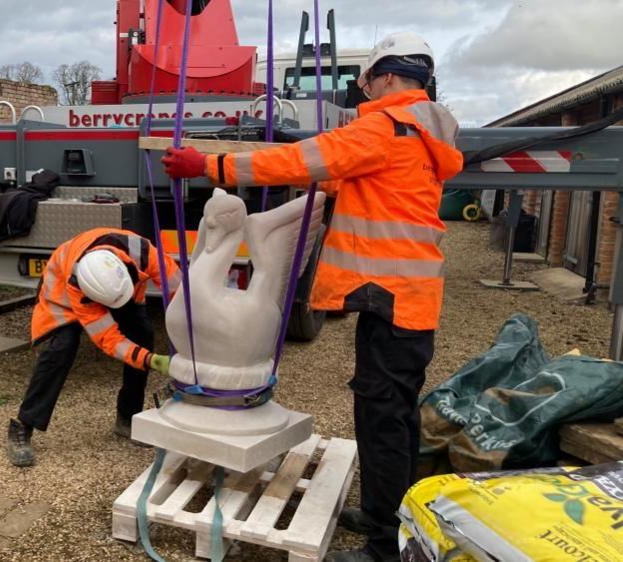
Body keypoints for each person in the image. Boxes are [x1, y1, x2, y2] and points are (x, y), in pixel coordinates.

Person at [161, 32, 463, 562]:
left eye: (365, 80)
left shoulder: (385, 125)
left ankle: (383, 549)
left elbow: (299, 160)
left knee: (384, 420)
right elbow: (379, 193)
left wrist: (210, 167)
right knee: (389, 414)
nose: (362, 91)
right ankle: (384, 515)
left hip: (390, 296)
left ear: (387, 77)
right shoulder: (421, 134)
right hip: (401, 297)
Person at [7, 227, 181, 467]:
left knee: (142, 333)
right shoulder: (79, 287)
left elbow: (182, 295)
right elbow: (109, 339)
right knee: (61, 349)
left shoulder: (144, 253)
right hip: (62, 296)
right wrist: (149, 360)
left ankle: (127, 417)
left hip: (116, 290)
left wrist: (194, 333)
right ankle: (23, 426)